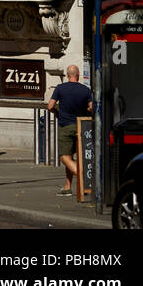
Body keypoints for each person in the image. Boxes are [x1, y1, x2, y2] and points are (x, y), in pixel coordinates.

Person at [47, 64, 94, 196]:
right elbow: (91, 107)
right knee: (77, 157)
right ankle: (67, 187)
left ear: (68, 75)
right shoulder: (85, 90)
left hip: (66, 127)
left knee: (65, 157)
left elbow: (50, 106)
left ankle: (83, 176)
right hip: (82, 127)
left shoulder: (60, 88)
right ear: (78, 75)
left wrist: (57, 113)